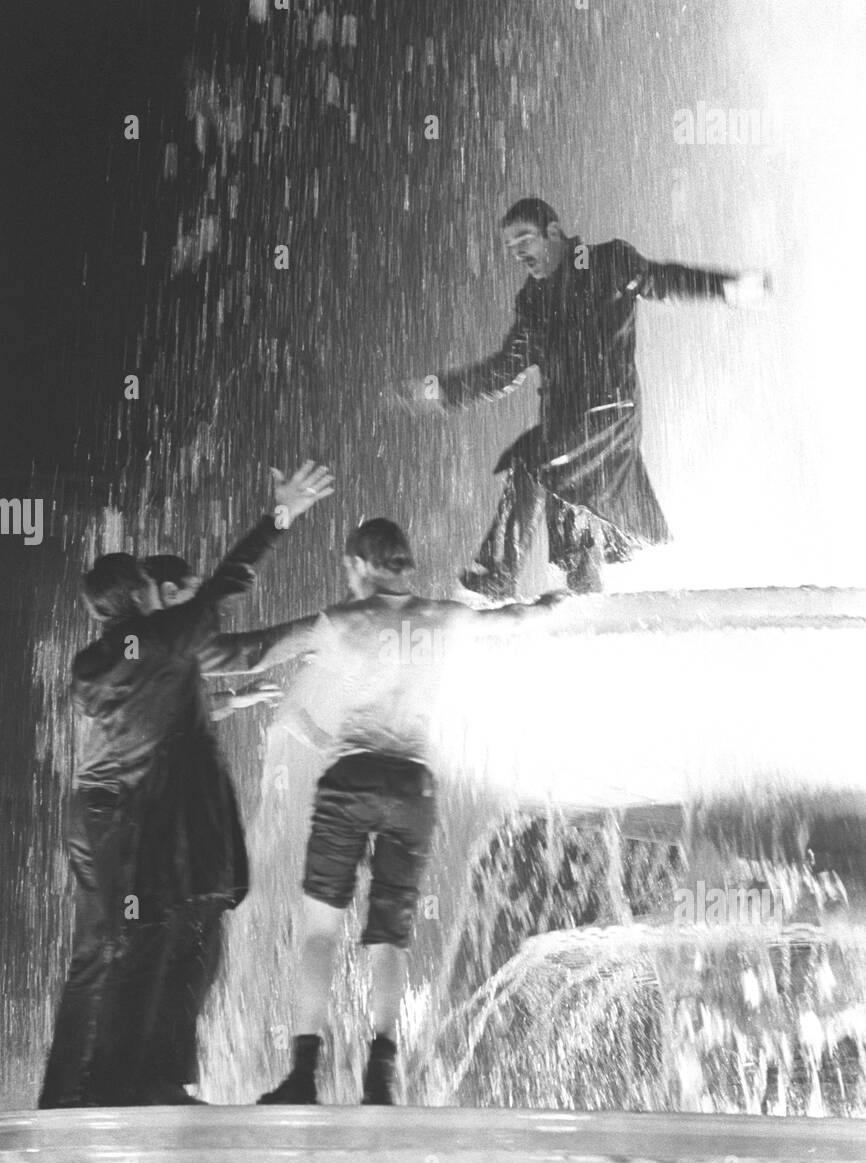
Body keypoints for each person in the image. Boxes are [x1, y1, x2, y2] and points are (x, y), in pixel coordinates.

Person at [38, 461, 334, 1108]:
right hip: (139, 822)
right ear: (146, 595)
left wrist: (225, 707)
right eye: (158, 586)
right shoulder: (164, 635)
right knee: (167, 941)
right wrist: (281, 517)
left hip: (105, 818)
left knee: (111, 953)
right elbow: (230, 594)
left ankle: (81, 1091)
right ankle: (139, 1080)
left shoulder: (98, 660)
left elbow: (160, 702)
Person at [248, 517, 568, 1106]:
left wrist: (178, 650)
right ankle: (381, 1072)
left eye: (349, 568)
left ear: (363, 565)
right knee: (390, 936)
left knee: (320, 931)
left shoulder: (344, 621)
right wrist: (553, 602)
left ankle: (301, 1075)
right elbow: (518, 618)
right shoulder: (445, 617)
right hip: (412, 785)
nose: (347, 579)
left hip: (351, 778)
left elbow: (254, 652)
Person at [396, 196, 771, 598]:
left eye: (524, 239)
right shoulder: (533, 300)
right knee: (573, 520)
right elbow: (504, 369)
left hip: (608, 415)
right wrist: (436, 388)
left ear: (553, 232)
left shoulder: (606, 262)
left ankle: (498, 574)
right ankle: (583, 602)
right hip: (566, 424)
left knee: (533, 458)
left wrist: (725, 288)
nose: (518, 252)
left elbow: (662, 280)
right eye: (510, 247)